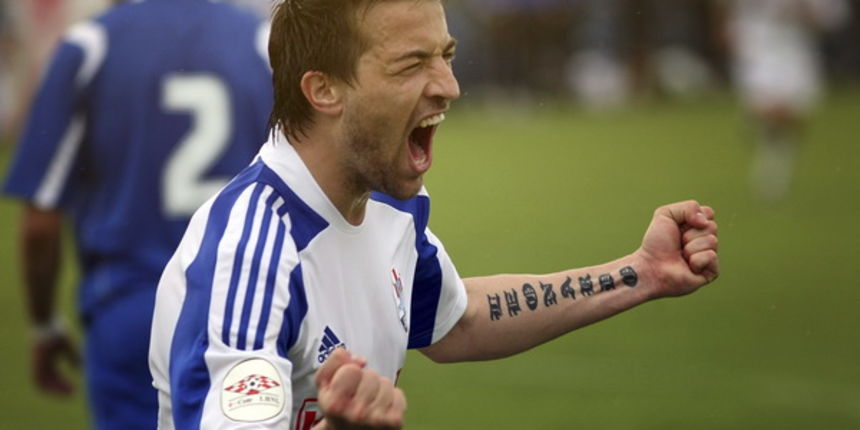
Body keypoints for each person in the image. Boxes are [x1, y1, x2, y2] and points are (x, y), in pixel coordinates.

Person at [148, 0, 720, 429]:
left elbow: (458, 321)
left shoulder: (384, 202)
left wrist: (640, 273)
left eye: (446, 56)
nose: (449, 87)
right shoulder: (252, 257)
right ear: (324, 90)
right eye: (411, 64)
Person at [2, 0, 273, 428]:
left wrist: (45, 324)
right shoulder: (262, 42)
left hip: (131, 306)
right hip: (242, 306)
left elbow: (41, 220)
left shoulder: (90, 46)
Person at [723, 0, 850, 201]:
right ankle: (760, 129)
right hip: (760, 48)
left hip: (798, 52)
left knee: (794, 119)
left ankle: (773, 169)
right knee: (772, 110)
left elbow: (834, 17)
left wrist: (804, 11)